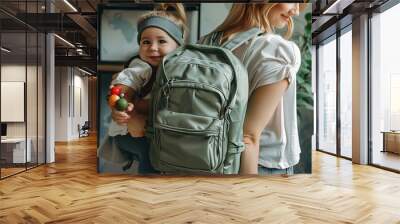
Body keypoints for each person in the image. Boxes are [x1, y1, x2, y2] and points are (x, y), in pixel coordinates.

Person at [210, 3, 303, 175]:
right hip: (259, 164)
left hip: (207, 158)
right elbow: (248, 136)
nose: (296, 11)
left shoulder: (207, 43)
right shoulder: (275, 49)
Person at [99, 3, 187, 174]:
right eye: (146, 42)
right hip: (129, 132)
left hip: (155, 129)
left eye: (161, 41)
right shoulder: (141, 67)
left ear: (178, 46)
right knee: (151, 155)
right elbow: (119, 90)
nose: (152, 47)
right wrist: (122, 111)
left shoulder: (178, 69)